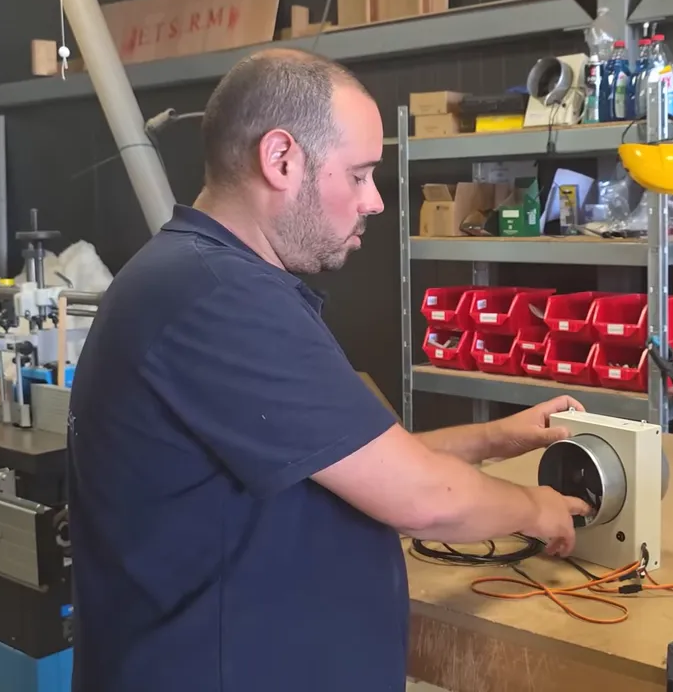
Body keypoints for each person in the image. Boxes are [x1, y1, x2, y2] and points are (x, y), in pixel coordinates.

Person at [67, 49, 592, 692]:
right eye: (359, 174)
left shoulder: (204, 279)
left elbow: (346, 463)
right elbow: (420, 500)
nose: (373, 201)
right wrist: (534, 508)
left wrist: (495, 438)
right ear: (281, 159)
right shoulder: (216, 297)